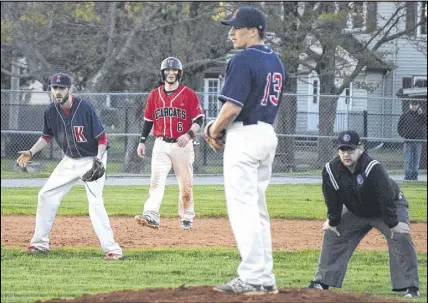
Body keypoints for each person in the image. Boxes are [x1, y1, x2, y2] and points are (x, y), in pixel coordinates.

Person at [206, 7, 286, 295]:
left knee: (243, 210)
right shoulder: (276, 61)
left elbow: (233, 107)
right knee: (258, 210)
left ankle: (252, 276)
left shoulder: (243, 60)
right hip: (266, 133)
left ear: (253, 30)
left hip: (246, 135)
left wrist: (213, 130)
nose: (231, 32)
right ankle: (264, 277)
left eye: (236, 27)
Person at [16, 73, 123, 260]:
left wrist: (98, 159)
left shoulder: (85, 108)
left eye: (61, 88)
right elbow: (47, 136)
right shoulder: (50, 111)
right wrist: (31, 152)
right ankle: (39, 243)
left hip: (92, 158)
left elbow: (102, 138)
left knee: (95, 202)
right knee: (45, 194)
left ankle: (113, 249)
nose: (57, 92)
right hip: (70, 159)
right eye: (54, 88)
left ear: (69, 90)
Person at [307, 130, 420, 298]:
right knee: (332, 232)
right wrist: (333, 220)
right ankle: (322, 282)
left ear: (361, 148)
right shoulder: (331, 169)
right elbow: (332, 199)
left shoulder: (372, 167)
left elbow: (386, 196)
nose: (346, 154)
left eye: (351, 149)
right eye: (343, 150)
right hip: (357, 211)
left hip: (387, 208)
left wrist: (393, 223)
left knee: (400, 236)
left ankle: (410, 287)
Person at [134, 57, 204, 230]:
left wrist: (188, 135)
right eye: (168, 70)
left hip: (182, 145)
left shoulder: (188, 94)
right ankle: (151, 215)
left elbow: (199, 119)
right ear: (163, 73)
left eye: (174, 71)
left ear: (179, 73)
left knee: (185, 183)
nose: (171, 73)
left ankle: (187, 217)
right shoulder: (154, 94)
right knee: (156, 181)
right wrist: (142, 141)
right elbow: (148, 121)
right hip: (161, 143)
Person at [397, 100, 427, 181]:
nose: (414, 106)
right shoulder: (405, 115)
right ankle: (408, 175)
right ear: (409, 105)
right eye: (413, 104)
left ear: (418, 105)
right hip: (408, 140)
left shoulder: (420, 115)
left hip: (418, 140)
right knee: (407, 159)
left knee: (416, 159)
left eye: (416, 105)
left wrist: (422, 115)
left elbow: (426, 122)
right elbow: (399, 126)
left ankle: (414, 175)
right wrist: (404, 134)